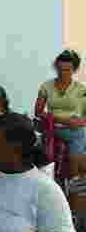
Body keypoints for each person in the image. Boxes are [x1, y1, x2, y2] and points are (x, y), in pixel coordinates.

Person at [36, 50, 86, 178]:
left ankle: (73, 182)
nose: (62, 73)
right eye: (59, 69)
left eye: (67, 70)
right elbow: (38, 111)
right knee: (79, 136)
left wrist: (81, 121)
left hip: (75, 128)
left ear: (74, 70)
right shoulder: (46, 86)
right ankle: (74, 180)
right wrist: (62, 120)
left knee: (80, 133)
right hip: (53, 128)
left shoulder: (81, 89)